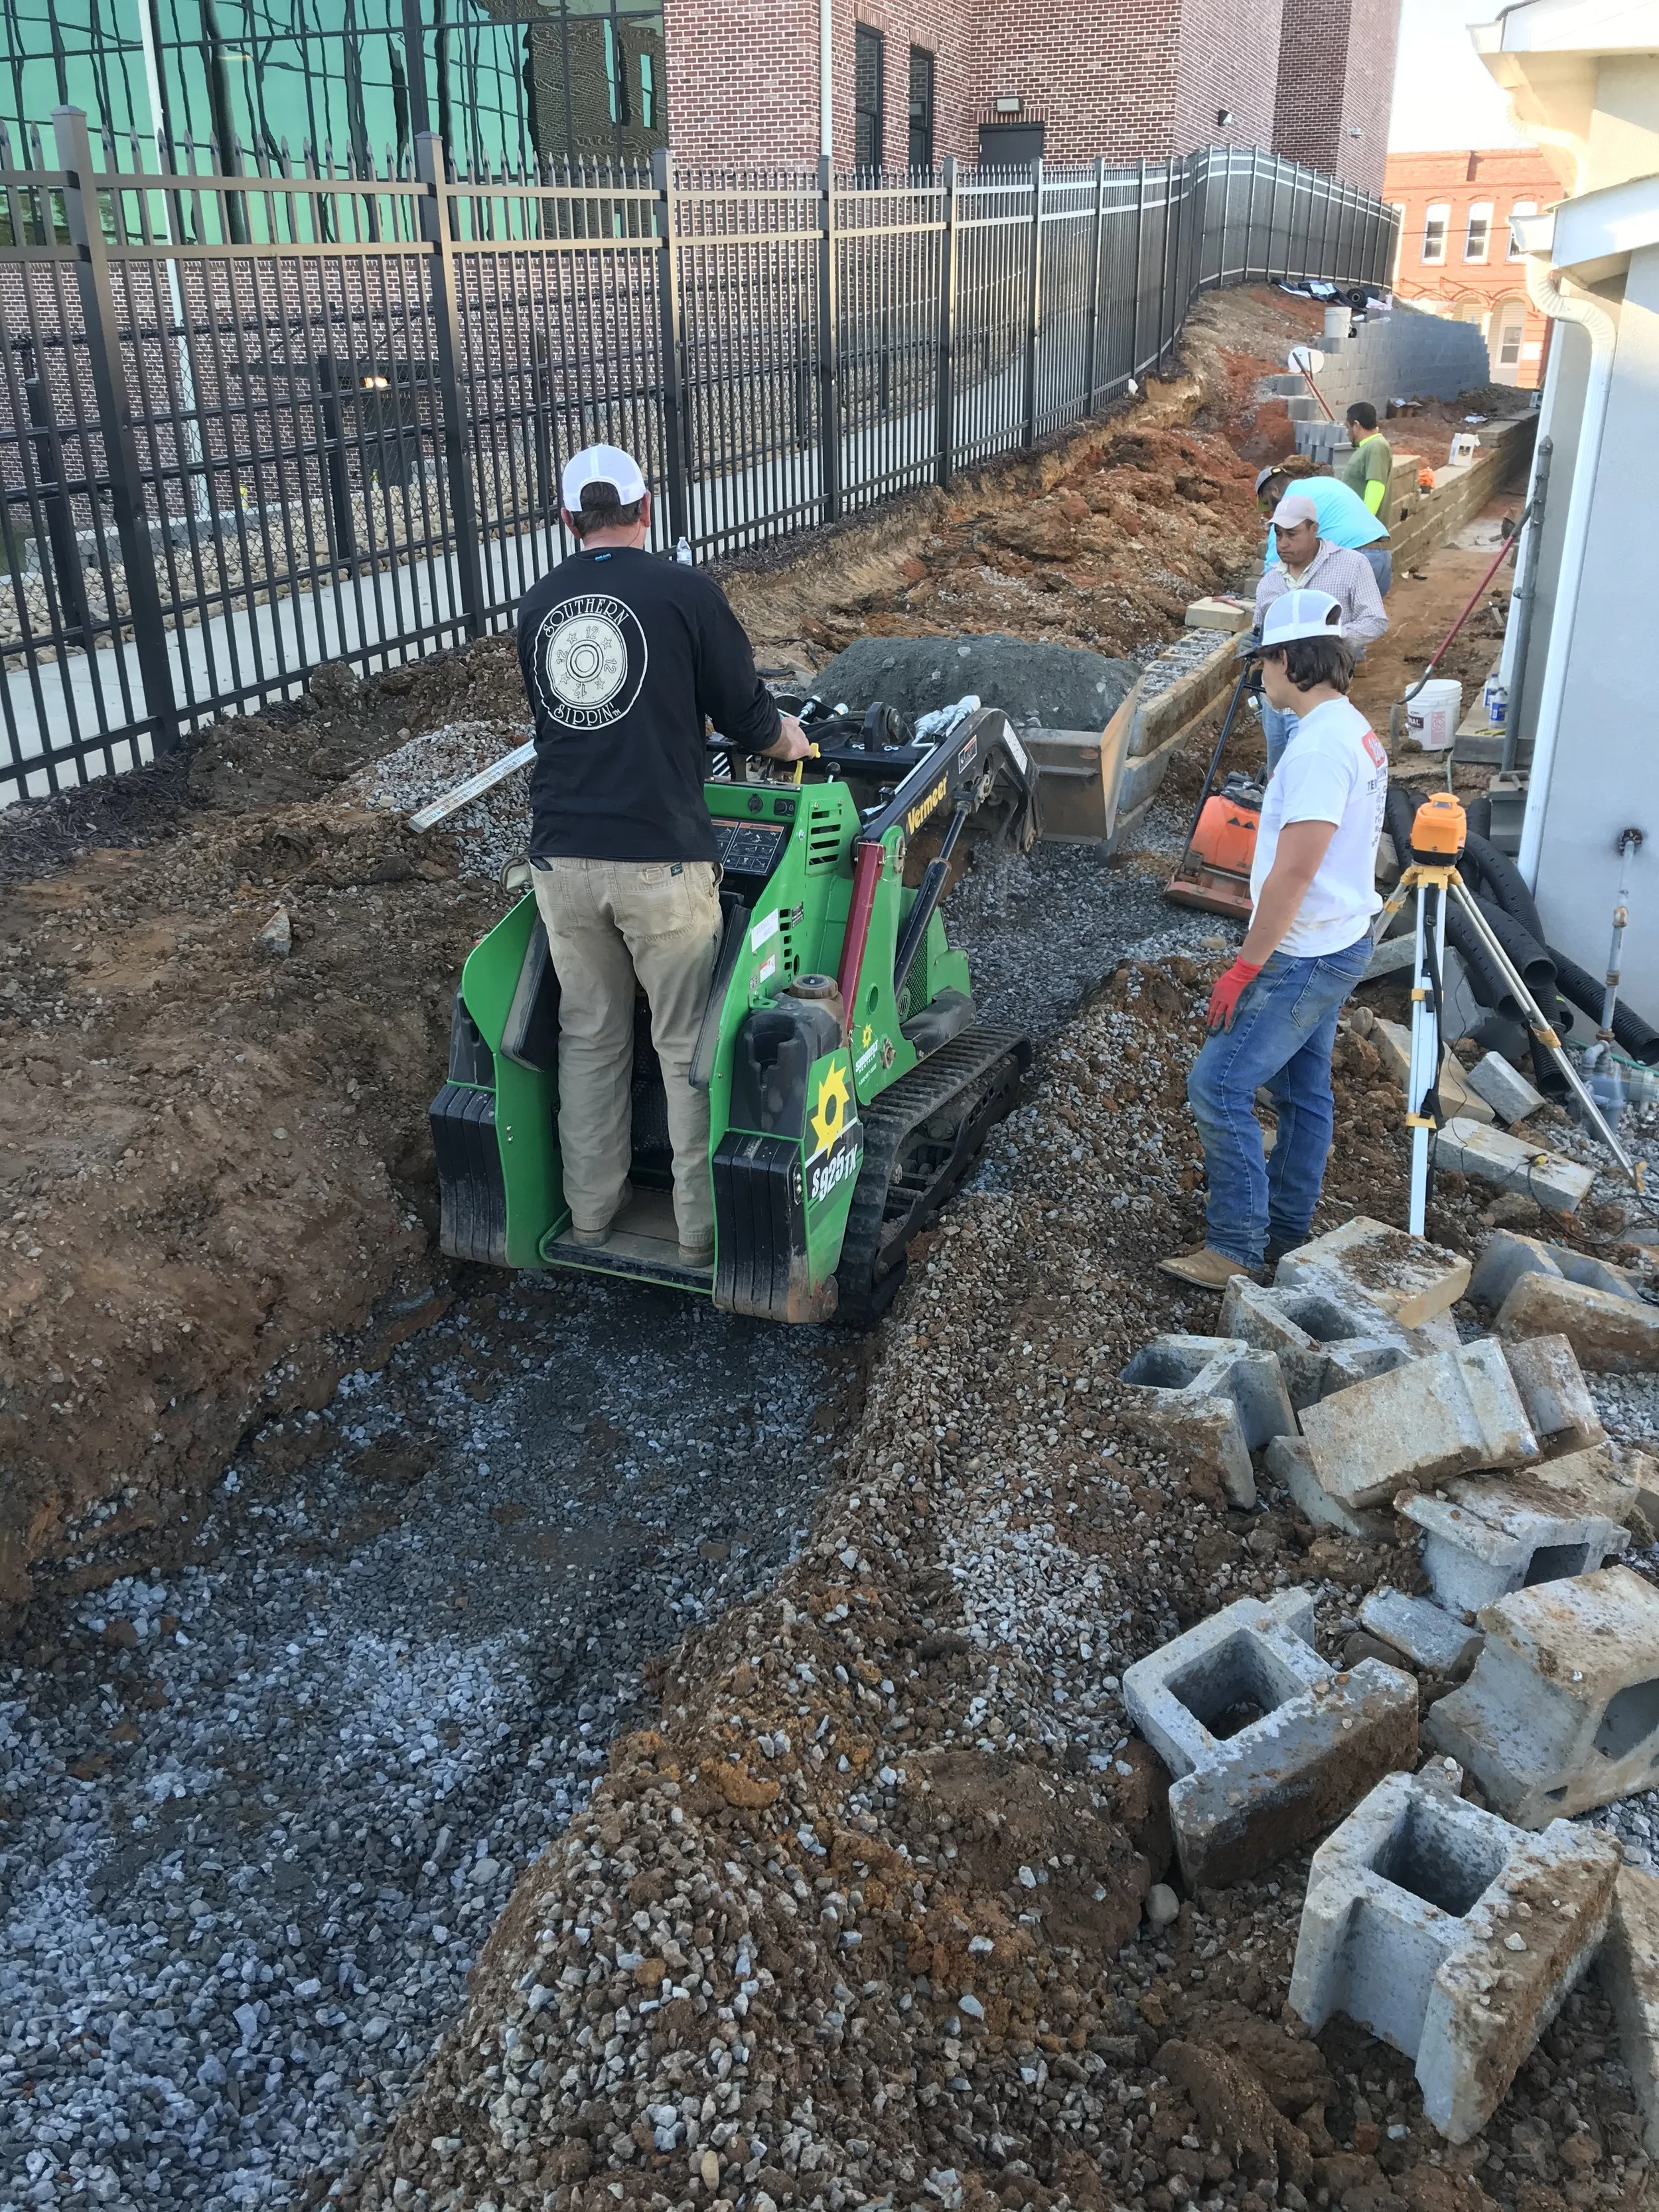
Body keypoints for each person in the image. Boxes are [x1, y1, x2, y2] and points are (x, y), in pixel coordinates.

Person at [516, 443, 812, 1265]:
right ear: (648, 507)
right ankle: (693, 1238)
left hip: (562, 859)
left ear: (565, 519)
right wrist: (785, 738)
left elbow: (576, 715)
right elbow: (749, 715)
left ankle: (588, 1219)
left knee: (590, 1037)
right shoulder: (684, 591)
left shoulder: (539, 605)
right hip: (660, 860)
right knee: (684, 1043)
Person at [1162, 591, 1388, 1290]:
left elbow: (1294, 872)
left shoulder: (1320, 748)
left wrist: (1244, 968)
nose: (1258, 674)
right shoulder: (1348, 728)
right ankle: (1285, 1226)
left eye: (1262, 661)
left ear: (1288, 659)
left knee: (1218, 1086)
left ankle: (1235, 1245)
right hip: (1335, 938)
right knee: (1302, 1089)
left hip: (1305, 949)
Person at [1254, 494, 1387, 774]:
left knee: (1310, 772)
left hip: (1320, 700)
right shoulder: (1270, 582)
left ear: (1314, 529)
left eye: (1292, 534)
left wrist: (1329, 639)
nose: (1283, 543)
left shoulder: (1351, 566)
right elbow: (1260, 634)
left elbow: (1375, 620)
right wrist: (1255, 642)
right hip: (1275, 704)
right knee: (1279, 775)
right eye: (1278, 535)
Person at [1255, 461, 1392, 600]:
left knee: (1327, 616)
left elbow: (1274, 564)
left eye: (1268, 503)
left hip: (1355, 557)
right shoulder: (1322, 484)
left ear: (1275, 491)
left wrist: (1269, 598)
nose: (1271, 511)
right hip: (1383, 553)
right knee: (1366, 617)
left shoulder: (1291, 504)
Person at [1342, 403, 1394, 532]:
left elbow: (1376, 487)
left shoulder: (1377, 447)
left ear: (1356, 426)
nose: (1347, 433)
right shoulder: (1369, 447)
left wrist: (1363, 527)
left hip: (1366, 540)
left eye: (1348, 427)